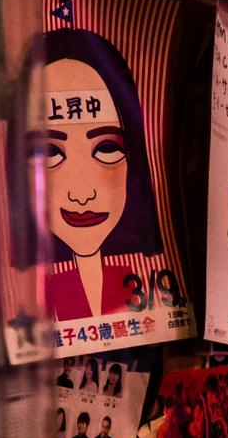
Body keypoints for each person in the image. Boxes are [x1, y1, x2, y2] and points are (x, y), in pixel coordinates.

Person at [22, 26, 167, 324]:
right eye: (49, 152)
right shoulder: (33, 300)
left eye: (107, 149)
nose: (81, 194)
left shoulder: (141, 283)